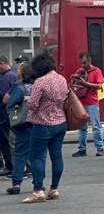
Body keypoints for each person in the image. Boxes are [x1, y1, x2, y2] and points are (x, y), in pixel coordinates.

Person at [22, 53, 68, 203]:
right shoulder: (62, 79)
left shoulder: (40, 82)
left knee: (36, 157)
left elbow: (33, 104)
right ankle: (54, 189)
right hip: (60, 123)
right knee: (57, 156)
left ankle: (38, 190)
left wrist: (27, 101)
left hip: (42, 124)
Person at [5, 63, 34, 195]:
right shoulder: (36, 87)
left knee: (20, 153)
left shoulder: (20, 88)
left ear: (22, 73)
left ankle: (16, 183)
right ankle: (38, 184)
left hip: (22, 124)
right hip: (37, 123)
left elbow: (10, 103)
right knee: (38, 154)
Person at [70, 53, 104, 157]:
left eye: (84, 63)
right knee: (82, 127)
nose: (82, 65)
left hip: (92, 102)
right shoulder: (79, 71)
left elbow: (99, 86)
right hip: (81, 102)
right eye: (81, 63)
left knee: (96, 126)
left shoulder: (96, 71)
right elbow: (73, 84)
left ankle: (100, 148)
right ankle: (82, 149)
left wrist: (85, 84)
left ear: (90, 61)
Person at [0, 56, 17, 176]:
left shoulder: (8, 76)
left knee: (5, 140)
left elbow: (5, 97)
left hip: (5, 113)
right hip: (8, 113)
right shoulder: (13, 74)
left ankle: (10, 166)